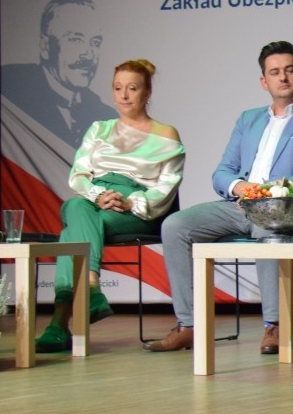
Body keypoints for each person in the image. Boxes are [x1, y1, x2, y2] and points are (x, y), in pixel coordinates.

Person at [146, 41, 293, 354]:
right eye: (274, 72)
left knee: (269, 226)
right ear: (264, 81)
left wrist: (270, 190)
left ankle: (275, 325)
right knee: (175, 226)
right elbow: (222, 172)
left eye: (289, 70)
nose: (283, 78)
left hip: (287, 209)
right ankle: (188, 325)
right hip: (239, 205)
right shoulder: (248, 119)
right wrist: (240, 187)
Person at [35, 59, 185, 352]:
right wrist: (97, 195)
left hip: (138, 209)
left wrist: (130, 201)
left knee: (72, 230)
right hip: (97, 200)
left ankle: (59, 323)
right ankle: (91, 287)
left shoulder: (166, 133)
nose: (124, 95)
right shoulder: (99, 129)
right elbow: (79, 175)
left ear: (147, 91)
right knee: (77, 208)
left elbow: (167, 187)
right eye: (118, 88)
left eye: (132, 88)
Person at [1, 0, 116, 149]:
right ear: (45, 46)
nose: (89, 55)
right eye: (76, 40)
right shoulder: (9, 93)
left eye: (95, 42)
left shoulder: (107, 118)